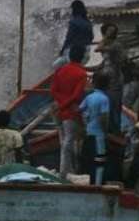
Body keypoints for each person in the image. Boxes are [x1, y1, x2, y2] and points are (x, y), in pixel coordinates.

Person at [51, 44, 88, 178]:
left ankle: (67, 169)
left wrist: (61, 103)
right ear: (83, 58)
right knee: (70, 140)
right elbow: (77, 96)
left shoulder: (60, 71)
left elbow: (53, 91)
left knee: (63, 140)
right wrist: (66, 104)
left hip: (57, 110)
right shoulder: (82, 74)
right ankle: (65, 172)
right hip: (70, 111)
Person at [79, 72, 110, 185]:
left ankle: (89, 183)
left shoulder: (89, 97)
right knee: (100, 160)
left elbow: (79, 110)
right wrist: (106, 131)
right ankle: (97, 185)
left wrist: (83, 126)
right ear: (107, 85)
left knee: (88, 160)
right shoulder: (104, 99)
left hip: (89, 132)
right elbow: (104, 117)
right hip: (99, 135)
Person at [95, 23, 125, 134]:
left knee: (114, 106)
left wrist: (105, 38)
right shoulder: (108, 46)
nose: (109, 33)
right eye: (107, 31)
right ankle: (108, 130)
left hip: (115, 80)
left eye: (111, 31)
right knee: (106, 106)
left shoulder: (115, 45)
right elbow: (103, 64)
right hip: (106, 80)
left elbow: (98, 49)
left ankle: (116, 131)